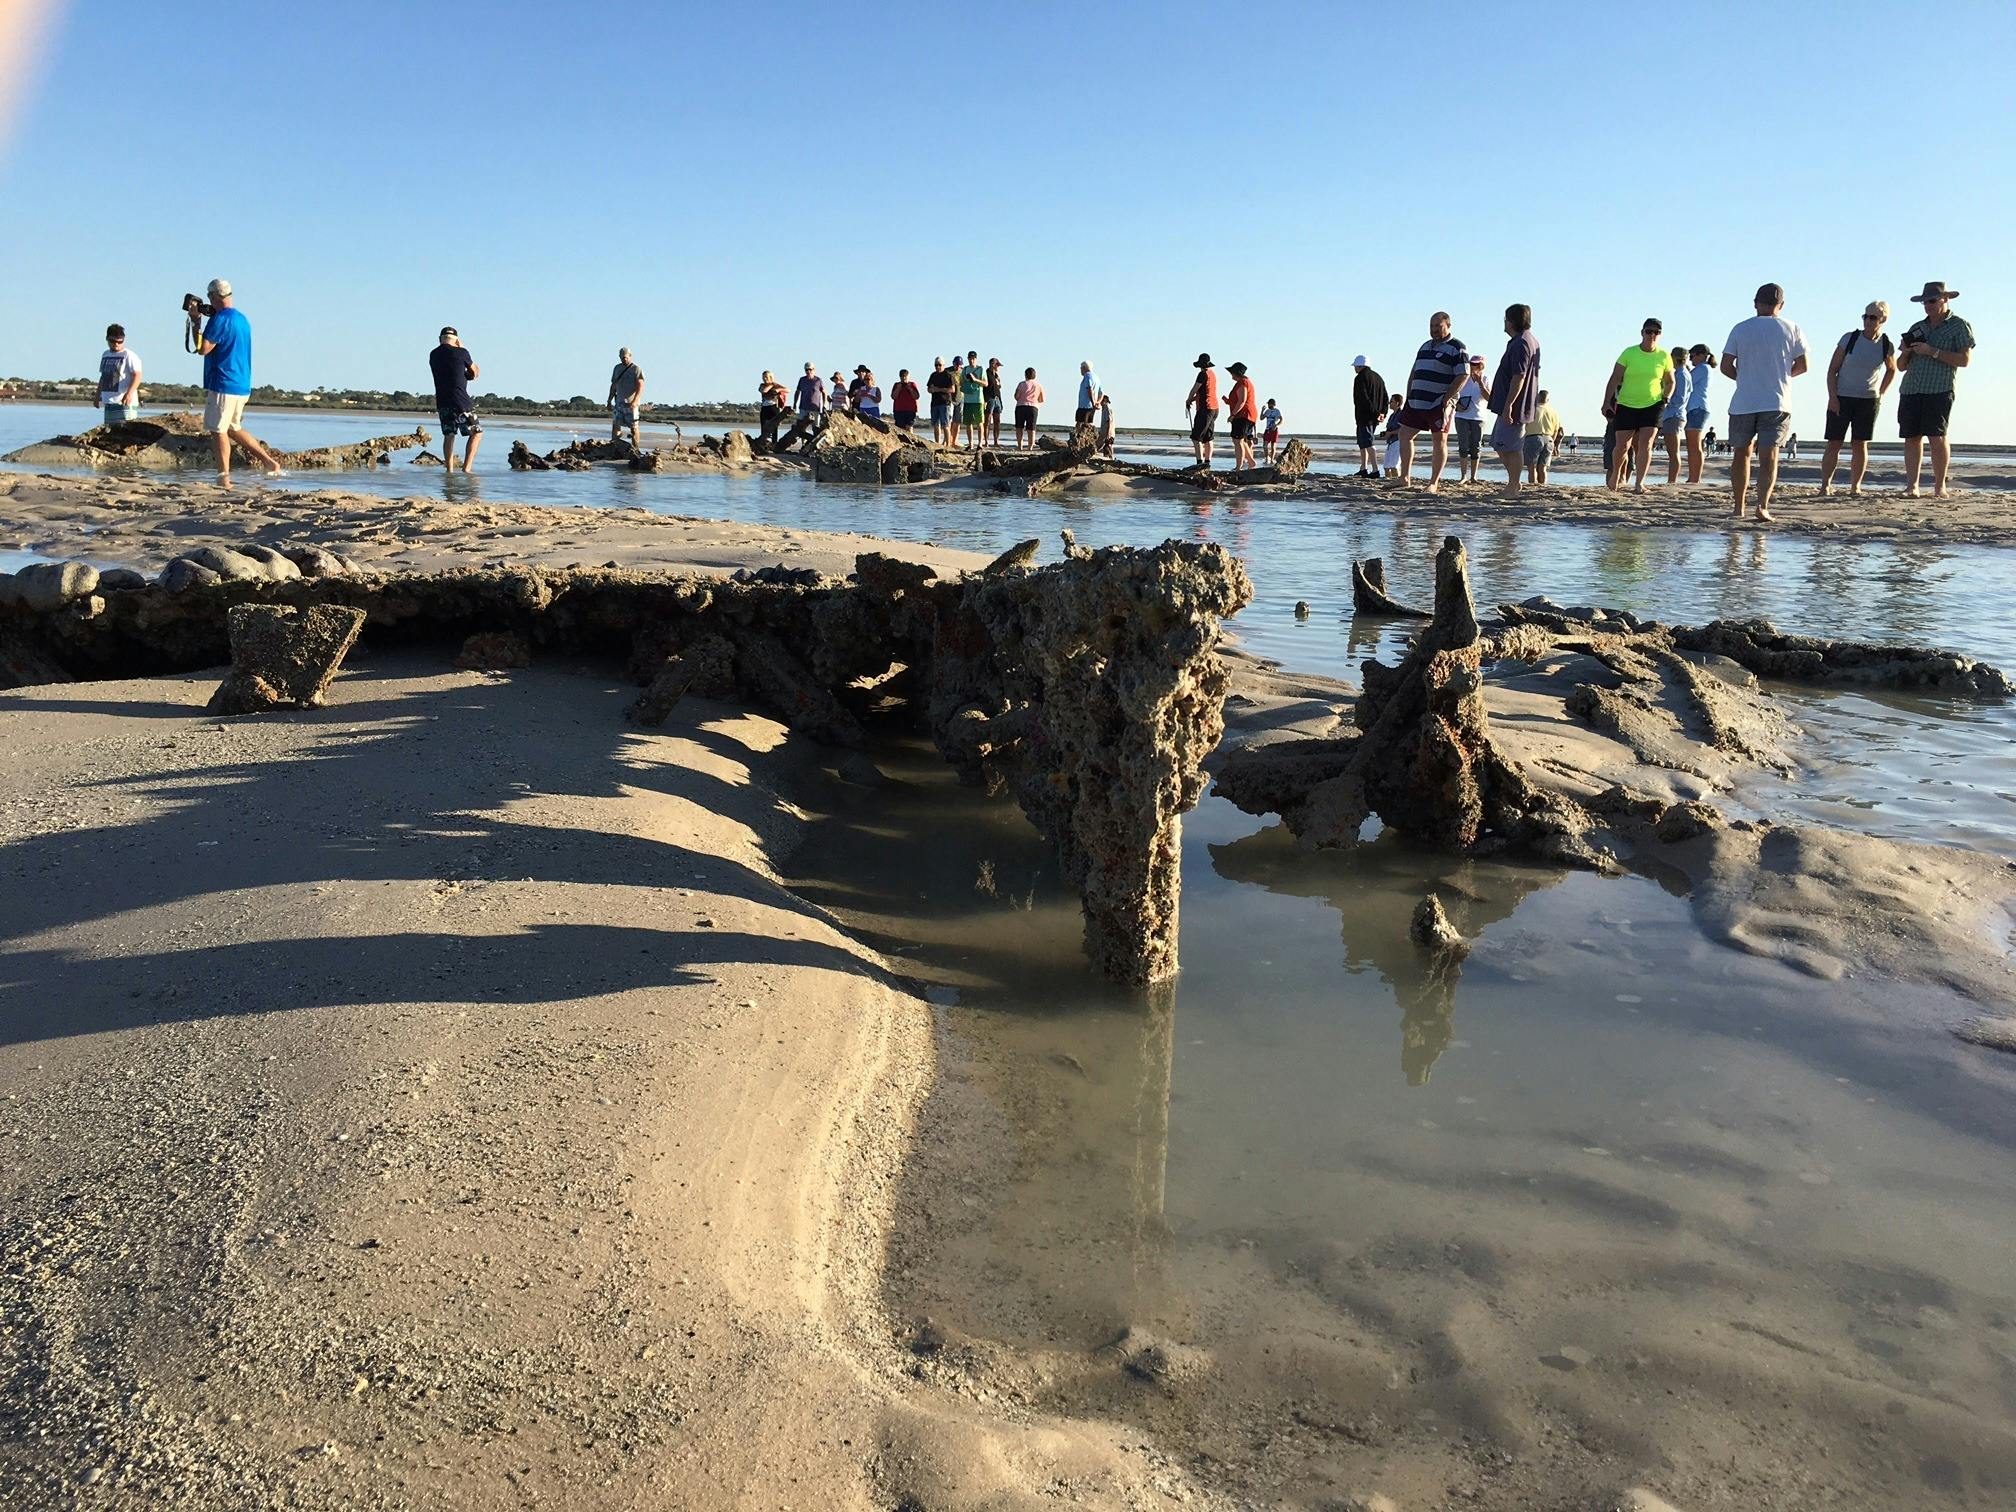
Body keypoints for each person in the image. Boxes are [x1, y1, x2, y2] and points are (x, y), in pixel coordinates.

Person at [1720, 282, 1809, 522]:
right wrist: (1781, 375)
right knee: (1770, 455)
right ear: (1781, 305)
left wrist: (1744, 378)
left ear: (1755, 303)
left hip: (1744, 401)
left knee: (1742, 453)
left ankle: (1739, 507)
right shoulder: (1792, 328)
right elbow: (1803, 365)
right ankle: (1762, 505)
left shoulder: (1741, 328)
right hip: (1776, 400)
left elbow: (1726, 365)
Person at [193, 279, 283, 489]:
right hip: (241, 383)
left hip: (224, 382)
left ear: (213, 297)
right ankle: (269, 462)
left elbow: (203, 348)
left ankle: (223, 476)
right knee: (233, 428)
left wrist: (196, 323)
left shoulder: (220, 319)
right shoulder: (242, 319)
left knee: (218, 430)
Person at [1896, 281, 1976, 499]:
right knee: (1911, 437)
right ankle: (1912, 486)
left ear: (1945, 299)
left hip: (1939, 388)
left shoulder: (1959, 325)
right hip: (1911, 388)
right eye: (1924, 302)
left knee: (1937, 436)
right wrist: (1905, 351)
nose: (1928, 305)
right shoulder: (1917, 327)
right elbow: (1901, 366)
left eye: (1932, 301)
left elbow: (1964, 360)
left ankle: (1940, 486)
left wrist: (1933, 351)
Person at [1396, 312, 1468, 491]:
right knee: (1404, 434)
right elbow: (1414, 371)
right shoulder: (1424, 346)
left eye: (1438, 326)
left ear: (1448, 326)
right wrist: (1409, 393)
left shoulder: (1457, 347)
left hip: (1439, 402)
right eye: (1432, 326)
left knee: (1439, 439)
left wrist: (1447, 398)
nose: (1434, 330)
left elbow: (1463, 374)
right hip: (1416, 400)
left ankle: (1433, 483)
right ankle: (1404, 478)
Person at [1602, 318, 1675, 492]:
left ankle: (1639, 483)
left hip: (1653, 404)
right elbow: (1615, 378)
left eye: (1656, 332)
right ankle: (1615, 476)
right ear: (1642, 332)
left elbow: (1670, 381)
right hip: (1627, 404)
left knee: (1646, 444)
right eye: (1649, 331)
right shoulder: (1629, 353)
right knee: (1622, 445)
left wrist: (1666, 398)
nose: (1652, 335)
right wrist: (1606, 402)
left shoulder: (1664, 356)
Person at [1488, 303, 1541, 493]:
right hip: (1510, 402)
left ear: (1511, 321)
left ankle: (1514, 485)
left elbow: (1519, 376)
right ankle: (1514, 482)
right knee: (1499, 443)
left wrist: (1509, 405)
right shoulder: (1522, 341)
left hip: (1516, 404)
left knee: (1510, 446)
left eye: (1506, 319)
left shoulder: (1522, 343)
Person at [429, 325, 483, 474]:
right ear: (456, 340)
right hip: (461, 401)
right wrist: (462, 347)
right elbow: (475, 372)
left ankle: (449, 470)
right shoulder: (462, 352)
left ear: (440, 339)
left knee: (449, 435)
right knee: (476, 433)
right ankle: (467, 468)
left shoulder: (433, 354)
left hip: (442, 401)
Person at [1451, 353, 1490, 483]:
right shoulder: (1463, 378)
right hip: (1462, 416)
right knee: (1463, 446)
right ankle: (1463, 476)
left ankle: (1473, 476)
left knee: (1476, 447)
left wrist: (1480, 383)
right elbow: (1453, 394)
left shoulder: (1486, 379)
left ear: (1482, 366)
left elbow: (1489, 398)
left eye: (1476, 364)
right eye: (1472, 364)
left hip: (1479, 417)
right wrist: (1456, 405)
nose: (1473, 366)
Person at [1657, 345, 1690, 485]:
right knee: (1672, 451)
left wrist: (1664, 400)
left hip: (1675, 415)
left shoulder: (1681, 375)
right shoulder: (1680, 373)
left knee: (1673, 451)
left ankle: (1672, 481)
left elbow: (1680, 398)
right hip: (1672, 415)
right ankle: (1671, 480)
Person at [97, 324, 141, 425]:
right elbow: (103, 376)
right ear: (107, 339)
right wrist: (97, 395)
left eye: (119, 342)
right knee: (110, 430)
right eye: (113, 341)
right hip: (109, 401)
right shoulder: (105, 354)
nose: (116, 344)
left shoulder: (129, 355)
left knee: (126, 430)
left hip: (124, 402)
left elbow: (137, 376)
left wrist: (129, 394)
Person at [1351, 355, 1387, 477]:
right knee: (1363, 442)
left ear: (1359, 366)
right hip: (1374, 416)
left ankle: (1375, 470)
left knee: (1368, 442)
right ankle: (1363, 468)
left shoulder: (1360, 378)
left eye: (1355, 366)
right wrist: (1383, 412)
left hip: (1364, 415)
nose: (1354, 368)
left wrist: (1376, 412)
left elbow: (1362, 398)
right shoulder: (1378, 378)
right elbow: (1385, 397)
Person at [1683, 345, 1713, 483]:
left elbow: (1686, 382)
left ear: (1701, 355)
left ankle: (1695, 478)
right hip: (1695, 408)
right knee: (1692, 446)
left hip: (1698, 408)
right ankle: (1693, 477)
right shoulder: (1702, 369)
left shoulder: (1702, 368)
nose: (1690, 359)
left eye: (1692, 356)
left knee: (1694, 446)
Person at [1185, 353, 1220, 468]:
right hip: (1214, 408)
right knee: (1208, 437)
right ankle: (1207, 463)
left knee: (1196, 437)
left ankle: (1199, 464)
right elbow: (1205, 392)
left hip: (1205, 408)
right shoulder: (1212, 374)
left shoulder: (1202, 374)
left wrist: (1188, 400)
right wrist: (1192, 399)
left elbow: (1194, 389)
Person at [1524, 388, 1563, 485]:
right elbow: (1556, 430)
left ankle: (1532, 484)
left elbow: (1524, 425)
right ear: (1547, 400)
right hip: (1548, 438)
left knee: (1532, 467)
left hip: (1533, 437)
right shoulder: (1553, 412)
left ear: (1537, 397)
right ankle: (1543, 485)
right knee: (1542, 467)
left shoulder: (1532, 409)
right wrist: (1552, 441)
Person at [608, 348, 645, 448]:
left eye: (625, 357)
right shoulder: (617, 368)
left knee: (634, 427)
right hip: (619, 402)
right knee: (616, 425)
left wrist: (635, 400)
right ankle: (615, 446)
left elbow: (640, 386)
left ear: (630, 356)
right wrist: (609, 400)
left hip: (632, 403)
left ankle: (635, 448)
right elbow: (613, 385)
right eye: (622, 358)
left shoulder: (636, 369)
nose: (624, 359)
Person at [926, 358, 955, 444]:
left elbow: (952, 389)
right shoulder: (933, 375)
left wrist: (939, 389)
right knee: (935, 425)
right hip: (935, 403)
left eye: (939, 365)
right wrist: (931, 390)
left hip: (945, 403)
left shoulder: (948, 375)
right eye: (936, 365)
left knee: (945, 425)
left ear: (943, 365)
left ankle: (948, 445)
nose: (938, 367)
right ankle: (937, 443)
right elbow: (928, 388)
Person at [1013, 367, 1044, 448]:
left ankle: (1020, 445)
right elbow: (1041, 399)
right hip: (1033, 407)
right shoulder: (1038, 386)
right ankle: (1030, 446)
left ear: (1025, 375)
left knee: (1019, 427)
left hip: (1021, 406)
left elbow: (1016, 396)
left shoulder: (1021, 384)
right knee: (1031, 428)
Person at [757, 370, 789, 446]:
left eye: (766, 377)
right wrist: (772, 385)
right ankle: (763, 442)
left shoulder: (776, 385)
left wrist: (779, 389)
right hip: (765, 407)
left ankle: (774, 443)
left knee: (774, 427)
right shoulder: (762, 385)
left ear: (770, 377)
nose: (765, 378)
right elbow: (764, 391)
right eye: (763, 377)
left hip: (774, 407)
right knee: (764, 425)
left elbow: (788, 390)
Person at [1380, 392, 1405, 478]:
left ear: (1397, 403)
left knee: (1394, 466)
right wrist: (1386, 434)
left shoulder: (1401, 414)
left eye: (1391, 401)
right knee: (1386, 466)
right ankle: (1389, 481)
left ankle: (1396, 480)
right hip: (1390, 442)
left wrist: (1391, 433)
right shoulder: (1392, 416)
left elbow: (1403, 429)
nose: (1389, 403)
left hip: (1398, 441)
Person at [890, 368, 921, 433]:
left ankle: (911, 439)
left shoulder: (912, 384)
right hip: (899, 410)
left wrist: (910, 389)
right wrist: (898, 388)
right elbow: (893, 396)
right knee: (900, 428)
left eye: (905, 376)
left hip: (910, 410)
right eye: (902, 376)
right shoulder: (896, 385)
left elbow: (916, 396)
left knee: (909, 426)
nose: (903, 378)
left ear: (908, 376)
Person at [984, 358, 1005, 447]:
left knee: (997, 421)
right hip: (989, 398)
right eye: (997, 365)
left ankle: (996, 441)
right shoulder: (986, 374)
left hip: (997, 399)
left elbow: (998, 388)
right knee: (987, 420)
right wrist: (985, 400)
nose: (998, 367)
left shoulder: (996, 375)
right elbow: (985, 387)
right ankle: (986, 441)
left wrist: (1000, 401)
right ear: (992, 364)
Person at [1076, 361, 1101, 427]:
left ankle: (1079, 434)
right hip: (1091, 406)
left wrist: (1093, 403)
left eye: (1081, 368)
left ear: (1084, 368)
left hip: (1084, 406)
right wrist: (1097, 402)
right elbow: (1101, 393)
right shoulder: (1096, 377)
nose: (1080, 370)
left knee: (1080, 424)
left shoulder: (1087, 376)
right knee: (1088, 424)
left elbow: (1089, 389)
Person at [1260, 398, 1284, 465]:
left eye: (1269, 404)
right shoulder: (1267, 411)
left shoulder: (1277, 411)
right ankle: (1266, 459)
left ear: (1273, 404)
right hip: (1267, 429)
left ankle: (1272, 460)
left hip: (1274, 430)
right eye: (1268, 404)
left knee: (1273, 446)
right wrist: (1262, 410)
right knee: (1265, 446)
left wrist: (1276, 425)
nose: (1268, 405)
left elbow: (1281, 419)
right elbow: (1261, 418)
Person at [1096, 393, 1116, 458]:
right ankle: (1109, 458)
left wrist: (1108, 434)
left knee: (1108, 445)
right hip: (1104, 432)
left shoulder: (1107, 408)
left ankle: (1111, 458)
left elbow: (1109, 422)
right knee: (1106, 446)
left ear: (1104, 400)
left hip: (1107, 432)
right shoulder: (1104, 408)